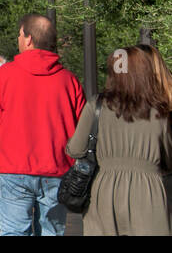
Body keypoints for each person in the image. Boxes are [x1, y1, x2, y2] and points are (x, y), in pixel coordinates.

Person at [0, 14, 85, 236]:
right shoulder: (69, 80)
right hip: (56, 168)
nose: (18, 39)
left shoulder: (5, 75)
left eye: (20, 34)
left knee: (14, 231)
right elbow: (82, 127)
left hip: (14, 168)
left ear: (28, 39)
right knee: (52, 232)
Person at [65, 45, 172, 236]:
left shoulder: (96, 105)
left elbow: (76, 149)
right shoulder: (160, 111)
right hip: (149, 193)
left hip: (103, 191)